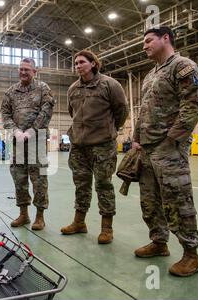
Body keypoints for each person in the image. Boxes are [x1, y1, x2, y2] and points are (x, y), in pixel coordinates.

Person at [132, 26, 198, 276]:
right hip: (148, 148)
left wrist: (172, 140)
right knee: (150, 202)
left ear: (166, 39)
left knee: (178, 201)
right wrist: (136, 138)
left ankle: (191, 255)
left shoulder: (182, 66)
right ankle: (159, 242)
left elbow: (193, 105)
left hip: (170, 149)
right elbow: (144, 110)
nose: (144, 46)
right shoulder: (151, 74)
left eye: (149, 40)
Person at [61, 50, 128, 244]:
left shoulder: (109, 84)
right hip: (79, 146)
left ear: (93, 64)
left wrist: (109, 129)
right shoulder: (73, 88)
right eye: (76, 63)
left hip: (102, 145)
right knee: (81, 185)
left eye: (81, 62)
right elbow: (71, 112)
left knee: (103, 185)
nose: (78, 66)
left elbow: (121, 110)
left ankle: (107, 228)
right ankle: (79, 222)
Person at [1, 58, 55, 231]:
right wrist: (15, 130)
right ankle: (23, 214)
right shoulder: (11, 91)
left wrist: (32, 130)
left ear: (34, 71)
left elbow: (46, 110)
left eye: (27, 69)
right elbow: (5, 114)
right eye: (21, 69)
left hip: (36, 141)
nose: (23, 72)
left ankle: (40, 217)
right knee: (19, 179)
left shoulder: (42, 88)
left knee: (39, 179)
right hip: (17, 143)